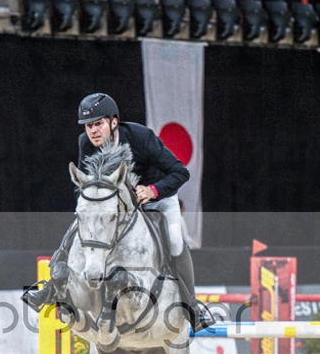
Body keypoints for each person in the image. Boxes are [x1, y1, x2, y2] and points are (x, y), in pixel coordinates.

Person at [23, 93, 214, 331]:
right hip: (116, 207)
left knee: (175, 240)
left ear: (114, 122)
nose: (92, 131)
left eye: (98, 124)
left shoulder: (141, 137)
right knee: (79, 227)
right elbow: (86, 187)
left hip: (157, 200)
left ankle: (191, 305)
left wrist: (153, 190)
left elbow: (180, 173)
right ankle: (50, 288)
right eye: (89, 126)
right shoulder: (85, 143)